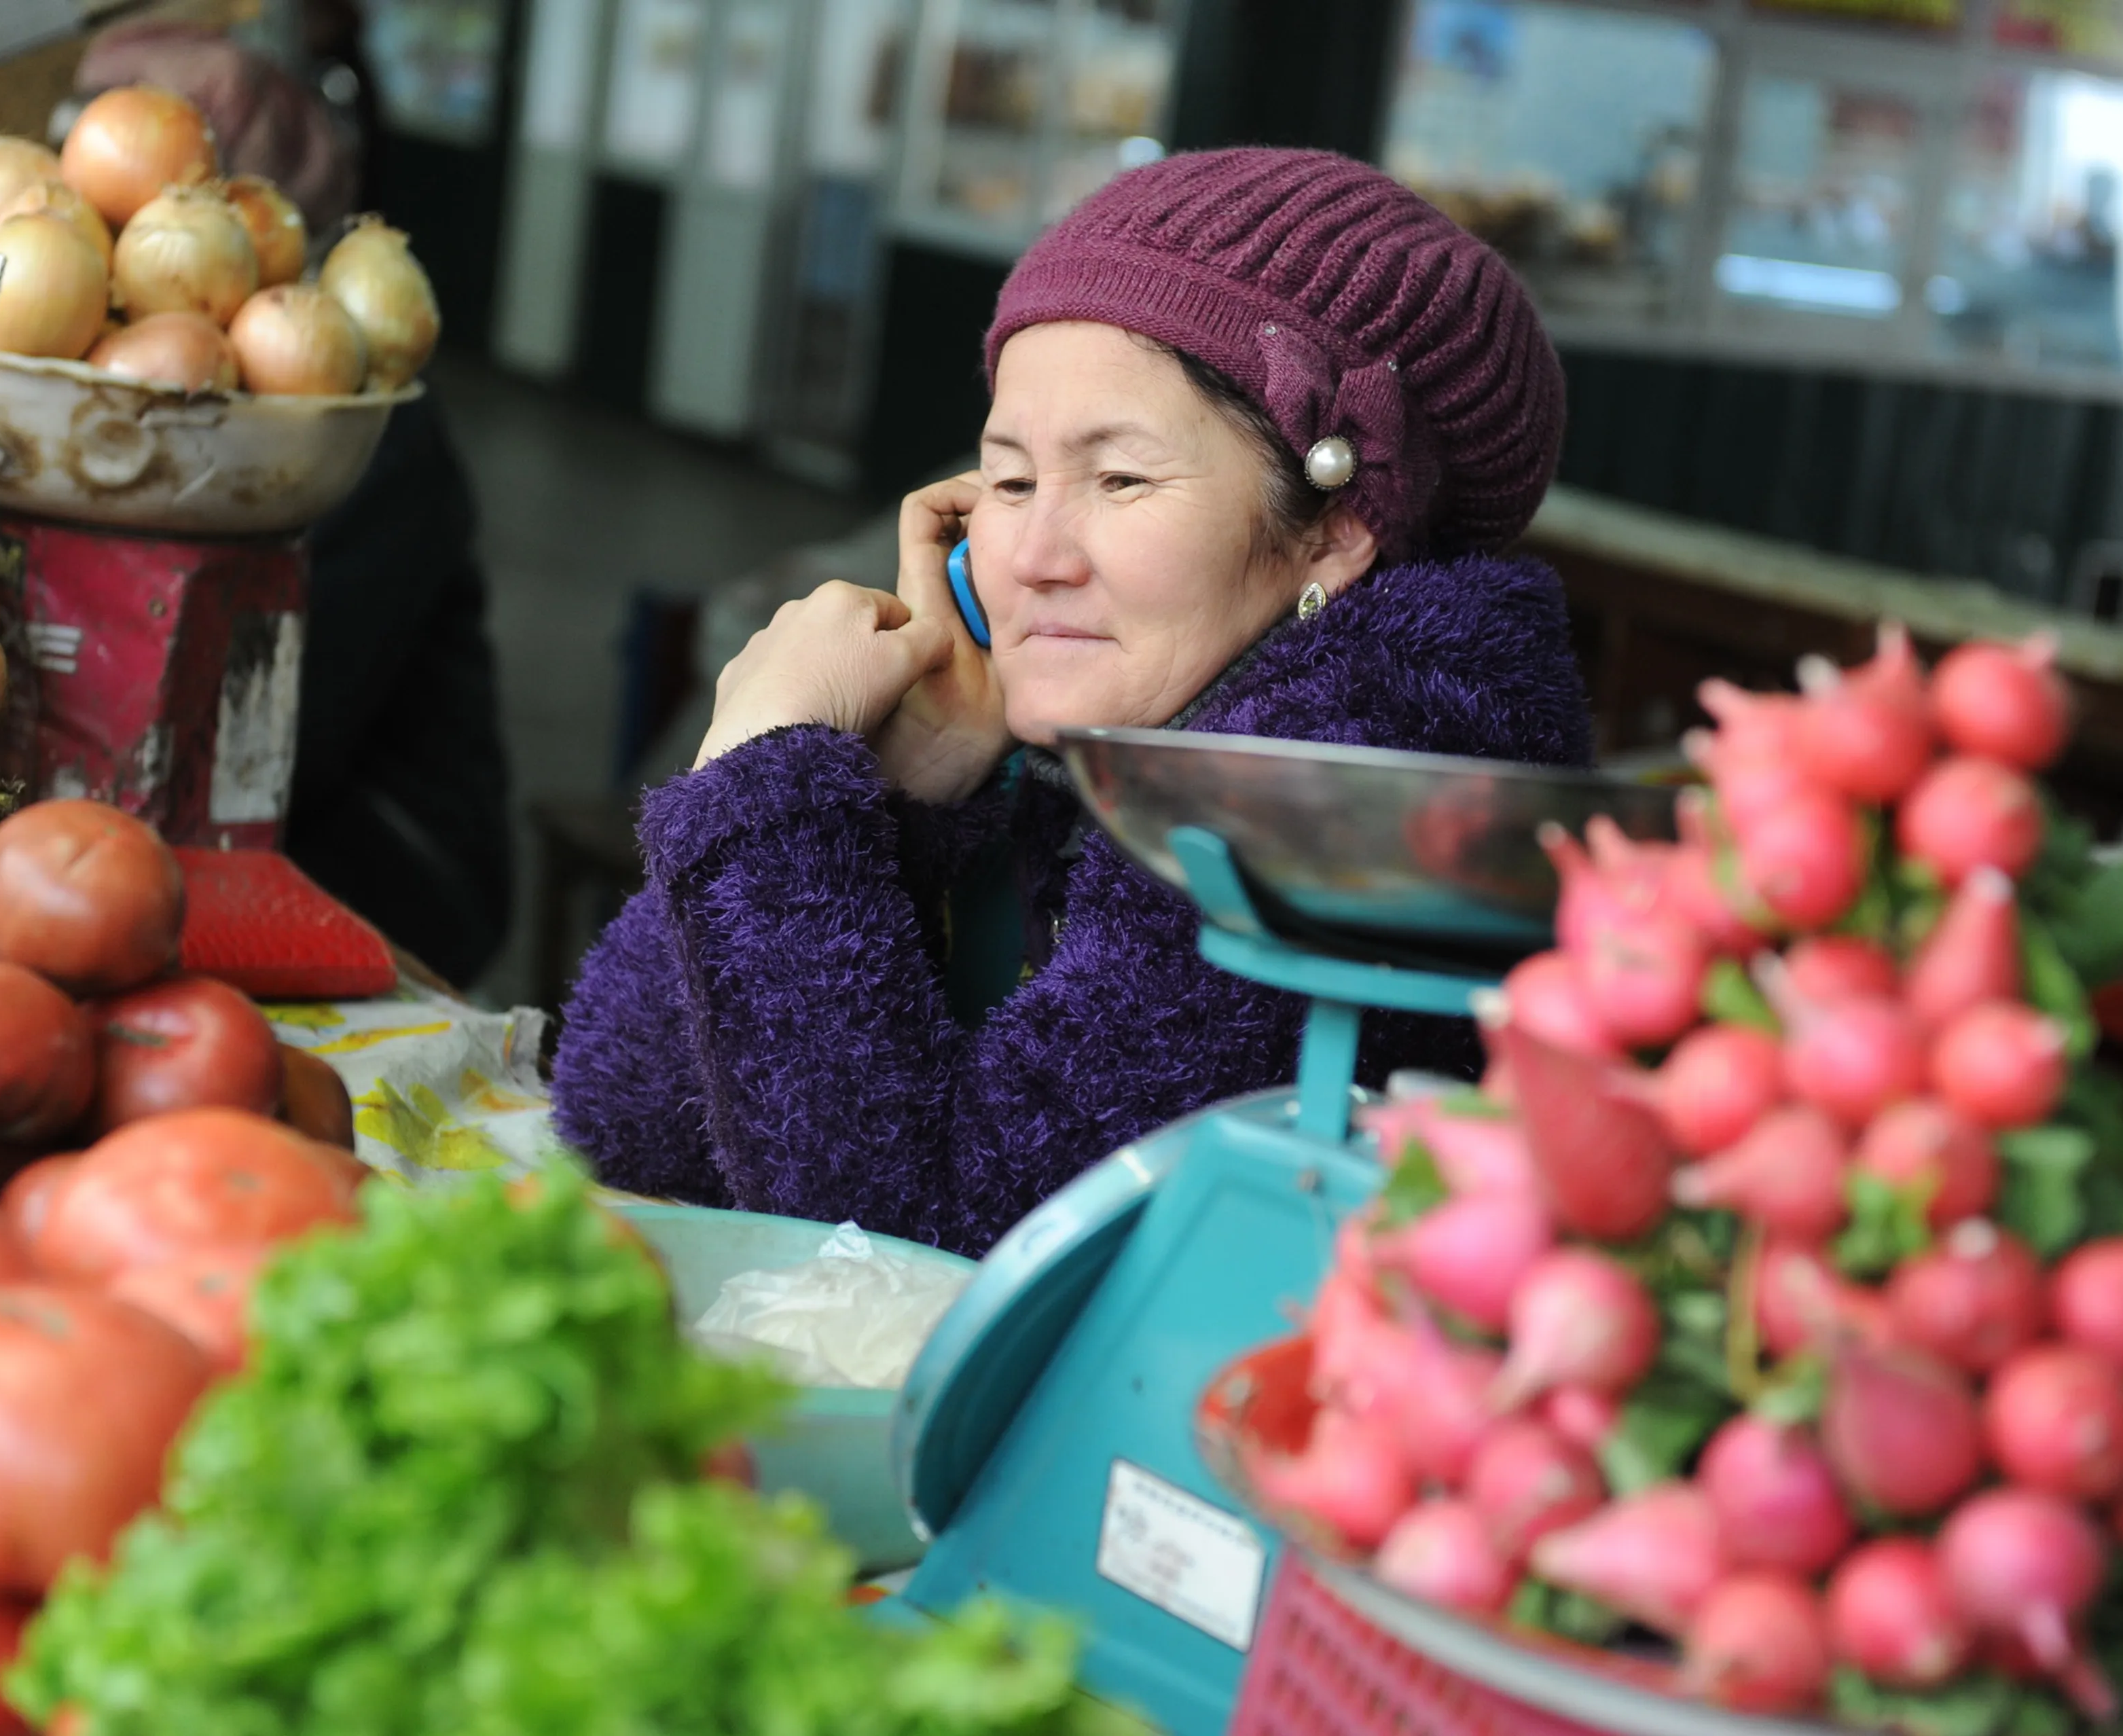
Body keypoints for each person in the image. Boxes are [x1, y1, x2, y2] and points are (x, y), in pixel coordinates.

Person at [550, 149, 1593, 1254]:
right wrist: (900, 793)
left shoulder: (1343, 785)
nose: (1032, 555)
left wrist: (771, 782)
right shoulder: (1116, 719)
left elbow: (916, 1248)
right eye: (1008, 479)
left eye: (1121, 478)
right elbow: (631, 1117)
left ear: (1333, 531)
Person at [72, 16, 515, 988]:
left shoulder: (353, 425)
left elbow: (274, 734)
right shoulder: (106, 379)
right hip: (199, 840)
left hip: (386, 863)